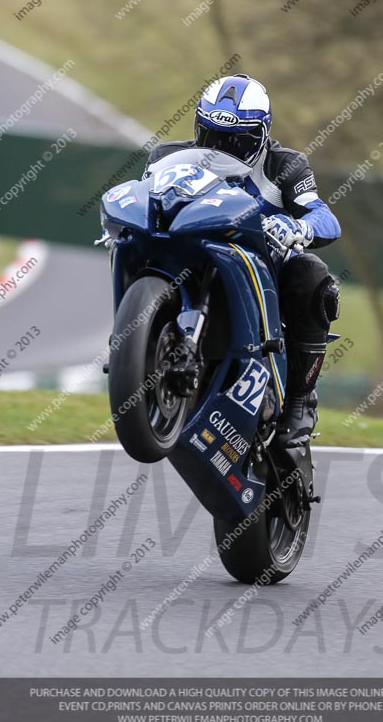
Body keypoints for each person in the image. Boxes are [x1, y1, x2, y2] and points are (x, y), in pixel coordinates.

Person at [143, 73, 341, 449]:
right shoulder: (167, 157)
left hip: (259, 274)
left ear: (263, 135)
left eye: (237, 140)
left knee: (312, 274)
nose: (223, 148)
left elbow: (324, 216)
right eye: (212, 136)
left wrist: (295, 227)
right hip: (193, 261)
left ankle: (300, 400)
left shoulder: (286, 165)